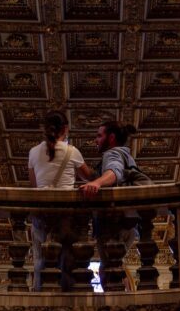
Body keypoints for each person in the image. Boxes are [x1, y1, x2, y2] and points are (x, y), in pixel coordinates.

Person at [27, 110, 92, 291]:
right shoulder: (72, 151)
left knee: (41, 258)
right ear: (65, 129)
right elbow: (88, 177)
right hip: (66, 214)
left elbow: (34, 186)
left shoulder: (33, 152)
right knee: (68, 259)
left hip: (42, 215)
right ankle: (67, 299)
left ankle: (41, 296)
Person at [79, 120, 141, 289]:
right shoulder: (124, 153)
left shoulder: (112, 153)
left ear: (111, 137)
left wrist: (97, 184)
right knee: (111, 266)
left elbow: (114, 172)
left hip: (113, 225)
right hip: (126, 224)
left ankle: (114, 309)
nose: (96, 140)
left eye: (99, 135)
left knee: (109, 269)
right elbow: (98, 174)